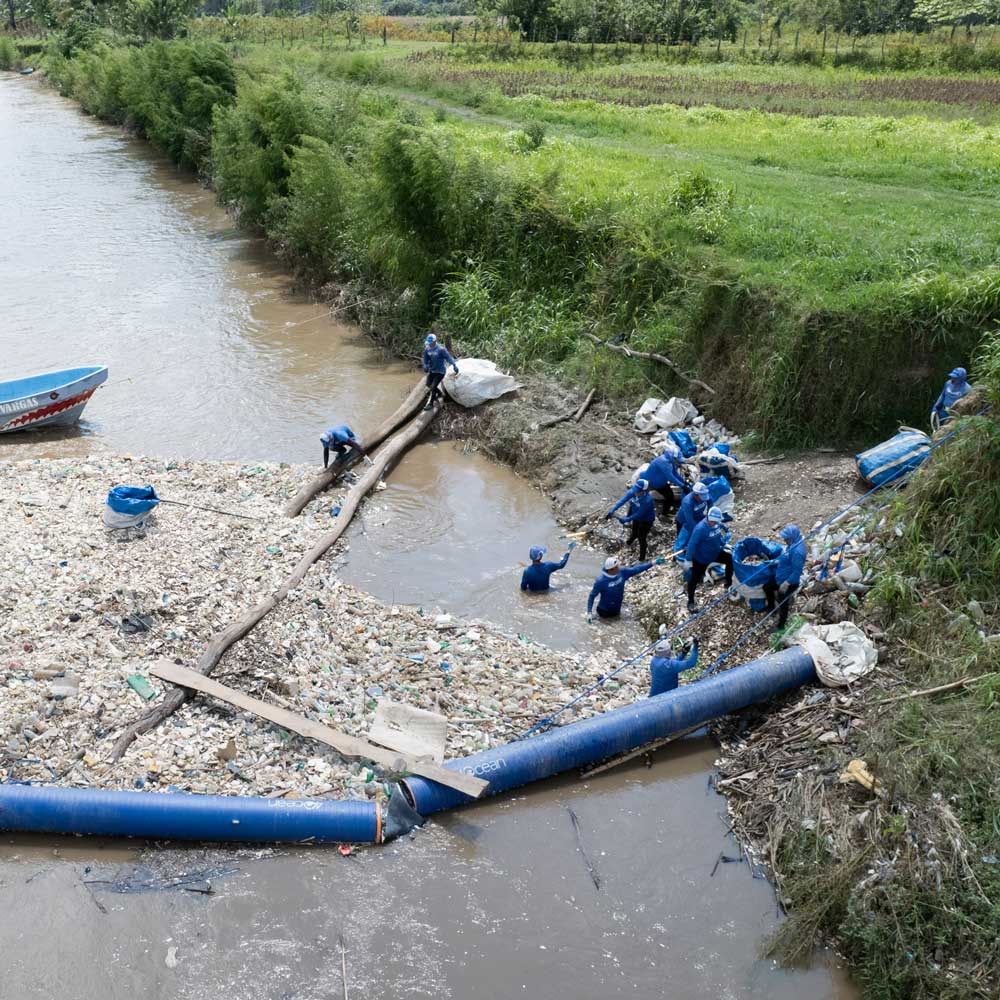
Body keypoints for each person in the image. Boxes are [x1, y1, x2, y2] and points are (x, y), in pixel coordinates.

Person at [684, 506, 733, 613]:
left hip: (715, 553)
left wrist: (723, 544)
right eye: (711, 521)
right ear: (707, 517)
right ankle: (690, 601)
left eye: (716, 522)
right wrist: (688, 560)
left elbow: (718, 535)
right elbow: (692, 544)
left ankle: (728, 583)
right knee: (694, 580)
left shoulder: (717, 524)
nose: (713, 524)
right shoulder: (700, 529)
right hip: (702, 558)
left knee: (730, 559)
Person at [587, 555, 663, 623]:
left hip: (616, 611)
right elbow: (592, 596)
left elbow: (637, 569)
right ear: (610, 570)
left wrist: (653, 563)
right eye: (616, 567)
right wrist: (589, 613)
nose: (618, 568)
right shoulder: (600, 581)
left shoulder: (622, 572)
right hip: (603, 612)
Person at [762, 524, 807, 631]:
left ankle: (781, 626)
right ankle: (771, 607)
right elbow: (786, 557)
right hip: (780, 575)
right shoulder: (792, 544)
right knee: (767, 587)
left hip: (789, 581)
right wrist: (776, 561)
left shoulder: (798, 552)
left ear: (792, 537)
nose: (784, 540)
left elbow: (797, 572)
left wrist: (786, 583)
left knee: (783, 603)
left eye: (786, 538)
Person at [606, 478, 657, 561]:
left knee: (641, 537)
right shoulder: (633, 492)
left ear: (644, 491)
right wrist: (613, 510)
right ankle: (629, 542)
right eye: (636, 490)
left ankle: (642, 558)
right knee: (634, 531)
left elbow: (640, 514)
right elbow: (622, 501)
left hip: (646, 519)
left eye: (638, 491)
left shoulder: (648, 500)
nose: (636, 492)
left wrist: (627, 519)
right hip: (635, 513)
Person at [639, 444, 688, 518]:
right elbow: (671, 477)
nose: (678, 462)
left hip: (661, 482)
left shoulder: (671, 462)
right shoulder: (664, 462)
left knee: (670, 496)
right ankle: (642, 511)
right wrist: (683, 486)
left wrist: (683, 482)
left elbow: (675, 473)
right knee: (644, 497)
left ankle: (664, 513)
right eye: (677, 460)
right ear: (673, 458)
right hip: (652, 481)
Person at [422, 330, 459, 411]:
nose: (429, 344)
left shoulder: (441, 349)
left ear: (435, 342)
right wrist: (424, 365)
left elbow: (448, 357)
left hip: (440, 372)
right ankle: (440, 393)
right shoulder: (427, 349)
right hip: (432, 371)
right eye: (428, 343)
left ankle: (431, 404)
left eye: (430, 343)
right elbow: (425, 359)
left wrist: (454, 365)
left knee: (433, 387)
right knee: (428, 384)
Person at [674, 481, 709, 554]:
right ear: (695, 495)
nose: (704, 499)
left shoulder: (704, 495)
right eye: (701, 497)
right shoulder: (687, 502)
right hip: (684, 521)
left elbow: (710, 502)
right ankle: (677, 555)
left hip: (698, 518)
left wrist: (710, 516)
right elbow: (690, 521)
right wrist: (699, 531)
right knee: (682, 540)